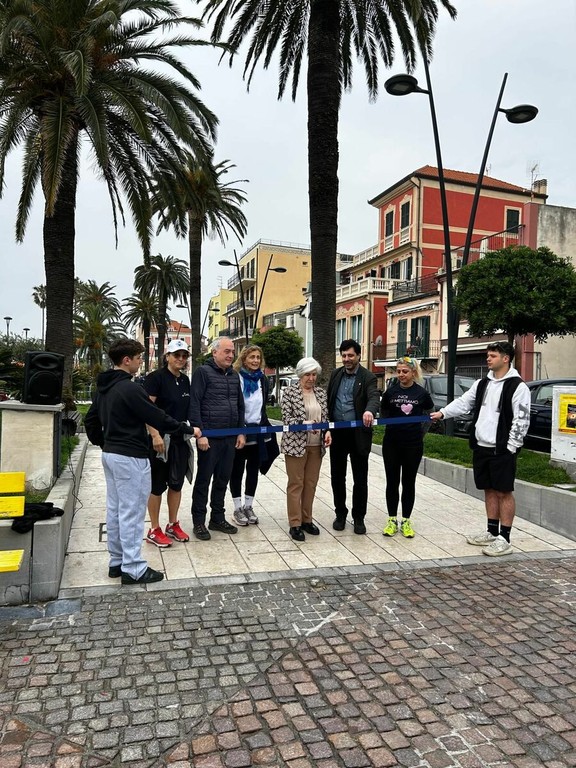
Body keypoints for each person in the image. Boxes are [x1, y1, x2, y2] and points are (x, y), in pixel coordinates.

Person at [84, 338, 200, 584]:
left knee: (115, 510)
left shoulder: (104, 387)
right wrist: (187, 429)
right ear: (126, 360)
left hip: (111, 455)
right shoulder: (130, 388)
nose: (140, 362)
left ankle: (117, 562)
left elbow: (90, 421)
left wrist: (106, 444)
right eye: (138, 358)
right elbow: (157, 416)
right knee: (132, 513)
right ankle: (133, 568)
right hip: (130, 457)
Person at [430, 341, 531, 557]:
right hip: (481, 447)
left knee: (504, 492)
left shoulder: (517, 386)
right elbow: (464, 402)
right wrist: (443, 413)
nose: (488, 359)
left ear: (506, 359)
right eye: (488, 355)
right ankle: (492, 531)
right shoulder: (482, 383)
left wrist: (511, 447)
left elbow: (522, 419)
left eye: (493, 356)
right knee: (489, 489)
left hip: (502, 449)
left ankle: (505, 538)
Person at [189, 337, 245, 541]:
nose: (231, 355)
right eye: (226, 351)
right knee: (204, 480)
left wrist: (241, 431)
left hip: (230, 437)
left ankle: (217, 518)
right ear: (214, 352)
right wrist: (200, 433)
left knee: (223, 479)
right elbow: (195, 403)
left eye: (232, 352)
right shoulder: (203, 373)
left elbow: (240, 405)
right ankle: (199, 521)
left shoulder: (234, 375)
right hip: (209, 438)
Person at [143, 338, 192, 548]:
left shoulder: (185, 380)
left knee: (176, 483)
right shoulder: (155, 378)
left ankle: (173, 524)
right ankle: (154, 529)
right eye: (176, 355)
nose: (180, 359)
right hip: (160, 441)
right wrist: (154, 435)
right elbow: (146, 409)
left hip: (179, 440)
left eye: (184, 355)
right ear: (167, 357)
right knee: (157, 486)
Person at [327, 339, 380, 534]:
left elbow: (374, 397)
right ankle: (340, 514)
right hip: (338, 434)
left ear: (358, 355)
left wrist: (369, 411)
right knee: (337, 477)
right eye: (343, 355)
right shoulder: (335, 374)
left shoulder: (368, 377)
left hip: (358, 435)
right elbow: (329, 399)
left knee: (360, 478)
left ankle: (359, 518)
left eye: (350, 355)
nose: (346, 359)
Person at [380, 356, 434, 539]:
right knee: (392, 481)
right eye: (399, 371)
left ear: (413, 372)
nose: (401, 374)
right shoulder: (390, 392)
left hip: (413, 444)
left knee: (408, 482)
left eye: (405, 371)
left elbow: (430, 415)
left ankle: (406, 520)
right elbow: (384, 414)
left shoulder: (422, 393)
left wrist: (419, 434)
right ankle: (391, 519)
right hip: (392, 443)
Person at [281, 357, 331, 541]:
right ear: (300, 375)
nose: (311, 378)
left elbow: (325, 417)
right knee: (296, 484)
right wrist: (305, 423)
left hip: (316, 446)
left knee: (310, 484)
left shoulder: (321, 393)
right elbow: (287, 419)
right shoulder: (289, 392)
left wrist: (327, 431)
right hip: (295, 445)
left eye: (314, 374)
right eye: (307, 375)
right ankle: (295, 523)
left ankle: (307, 520)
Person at [229, 344, 274, 527]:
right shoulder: (235, 377)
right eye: (251, 357)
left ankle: (249, 506)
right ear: (244, 359)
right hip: (240, 431)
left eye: (258, 357)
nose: (255, 360)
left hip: (258, 431)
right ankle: (237, 508)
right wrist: (239, 428)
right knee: (237, 470)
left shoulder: (262, 379)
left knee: (253, 470)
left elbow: (262, 406)